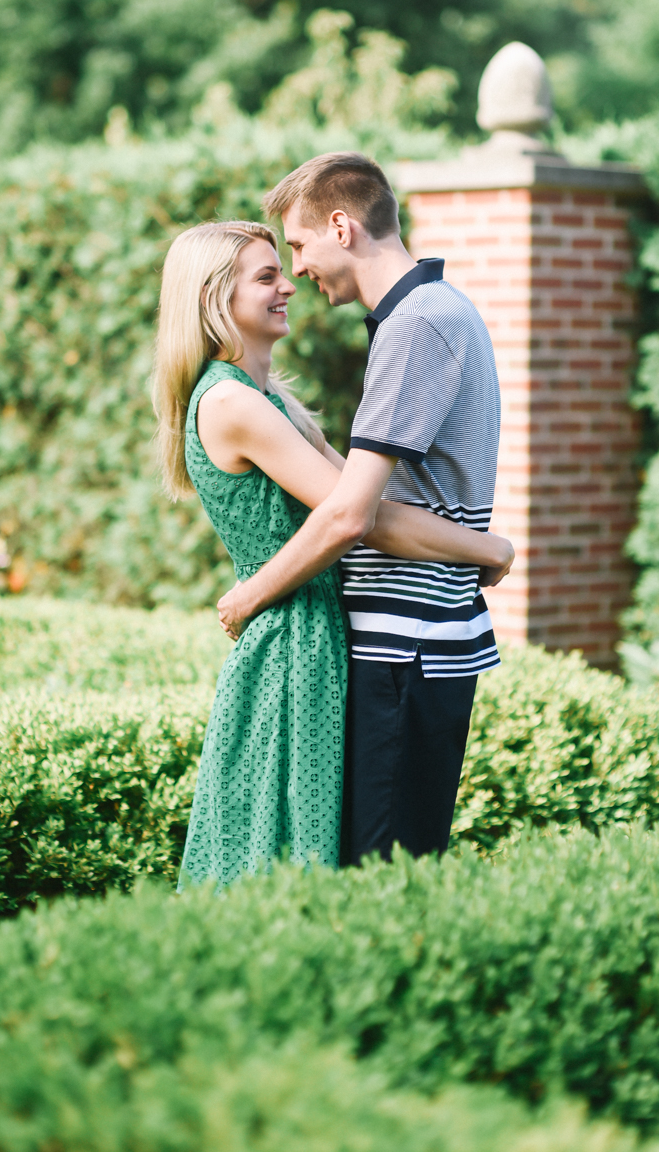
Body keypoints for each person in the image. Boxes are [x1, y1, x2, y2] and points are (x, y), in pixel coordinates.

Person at [153, 219, 512, 888]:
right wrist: (483, 546)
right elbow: (358, 518)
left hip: (316, 634)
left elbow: (366, 508)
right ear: (211, 298)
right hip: (289, 643)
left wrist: (479, 546)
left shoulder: (271, 399)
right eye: (265, 276)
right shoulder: (232, 402)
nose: (288, 285)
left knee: (314, 846)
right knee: (280, 850)